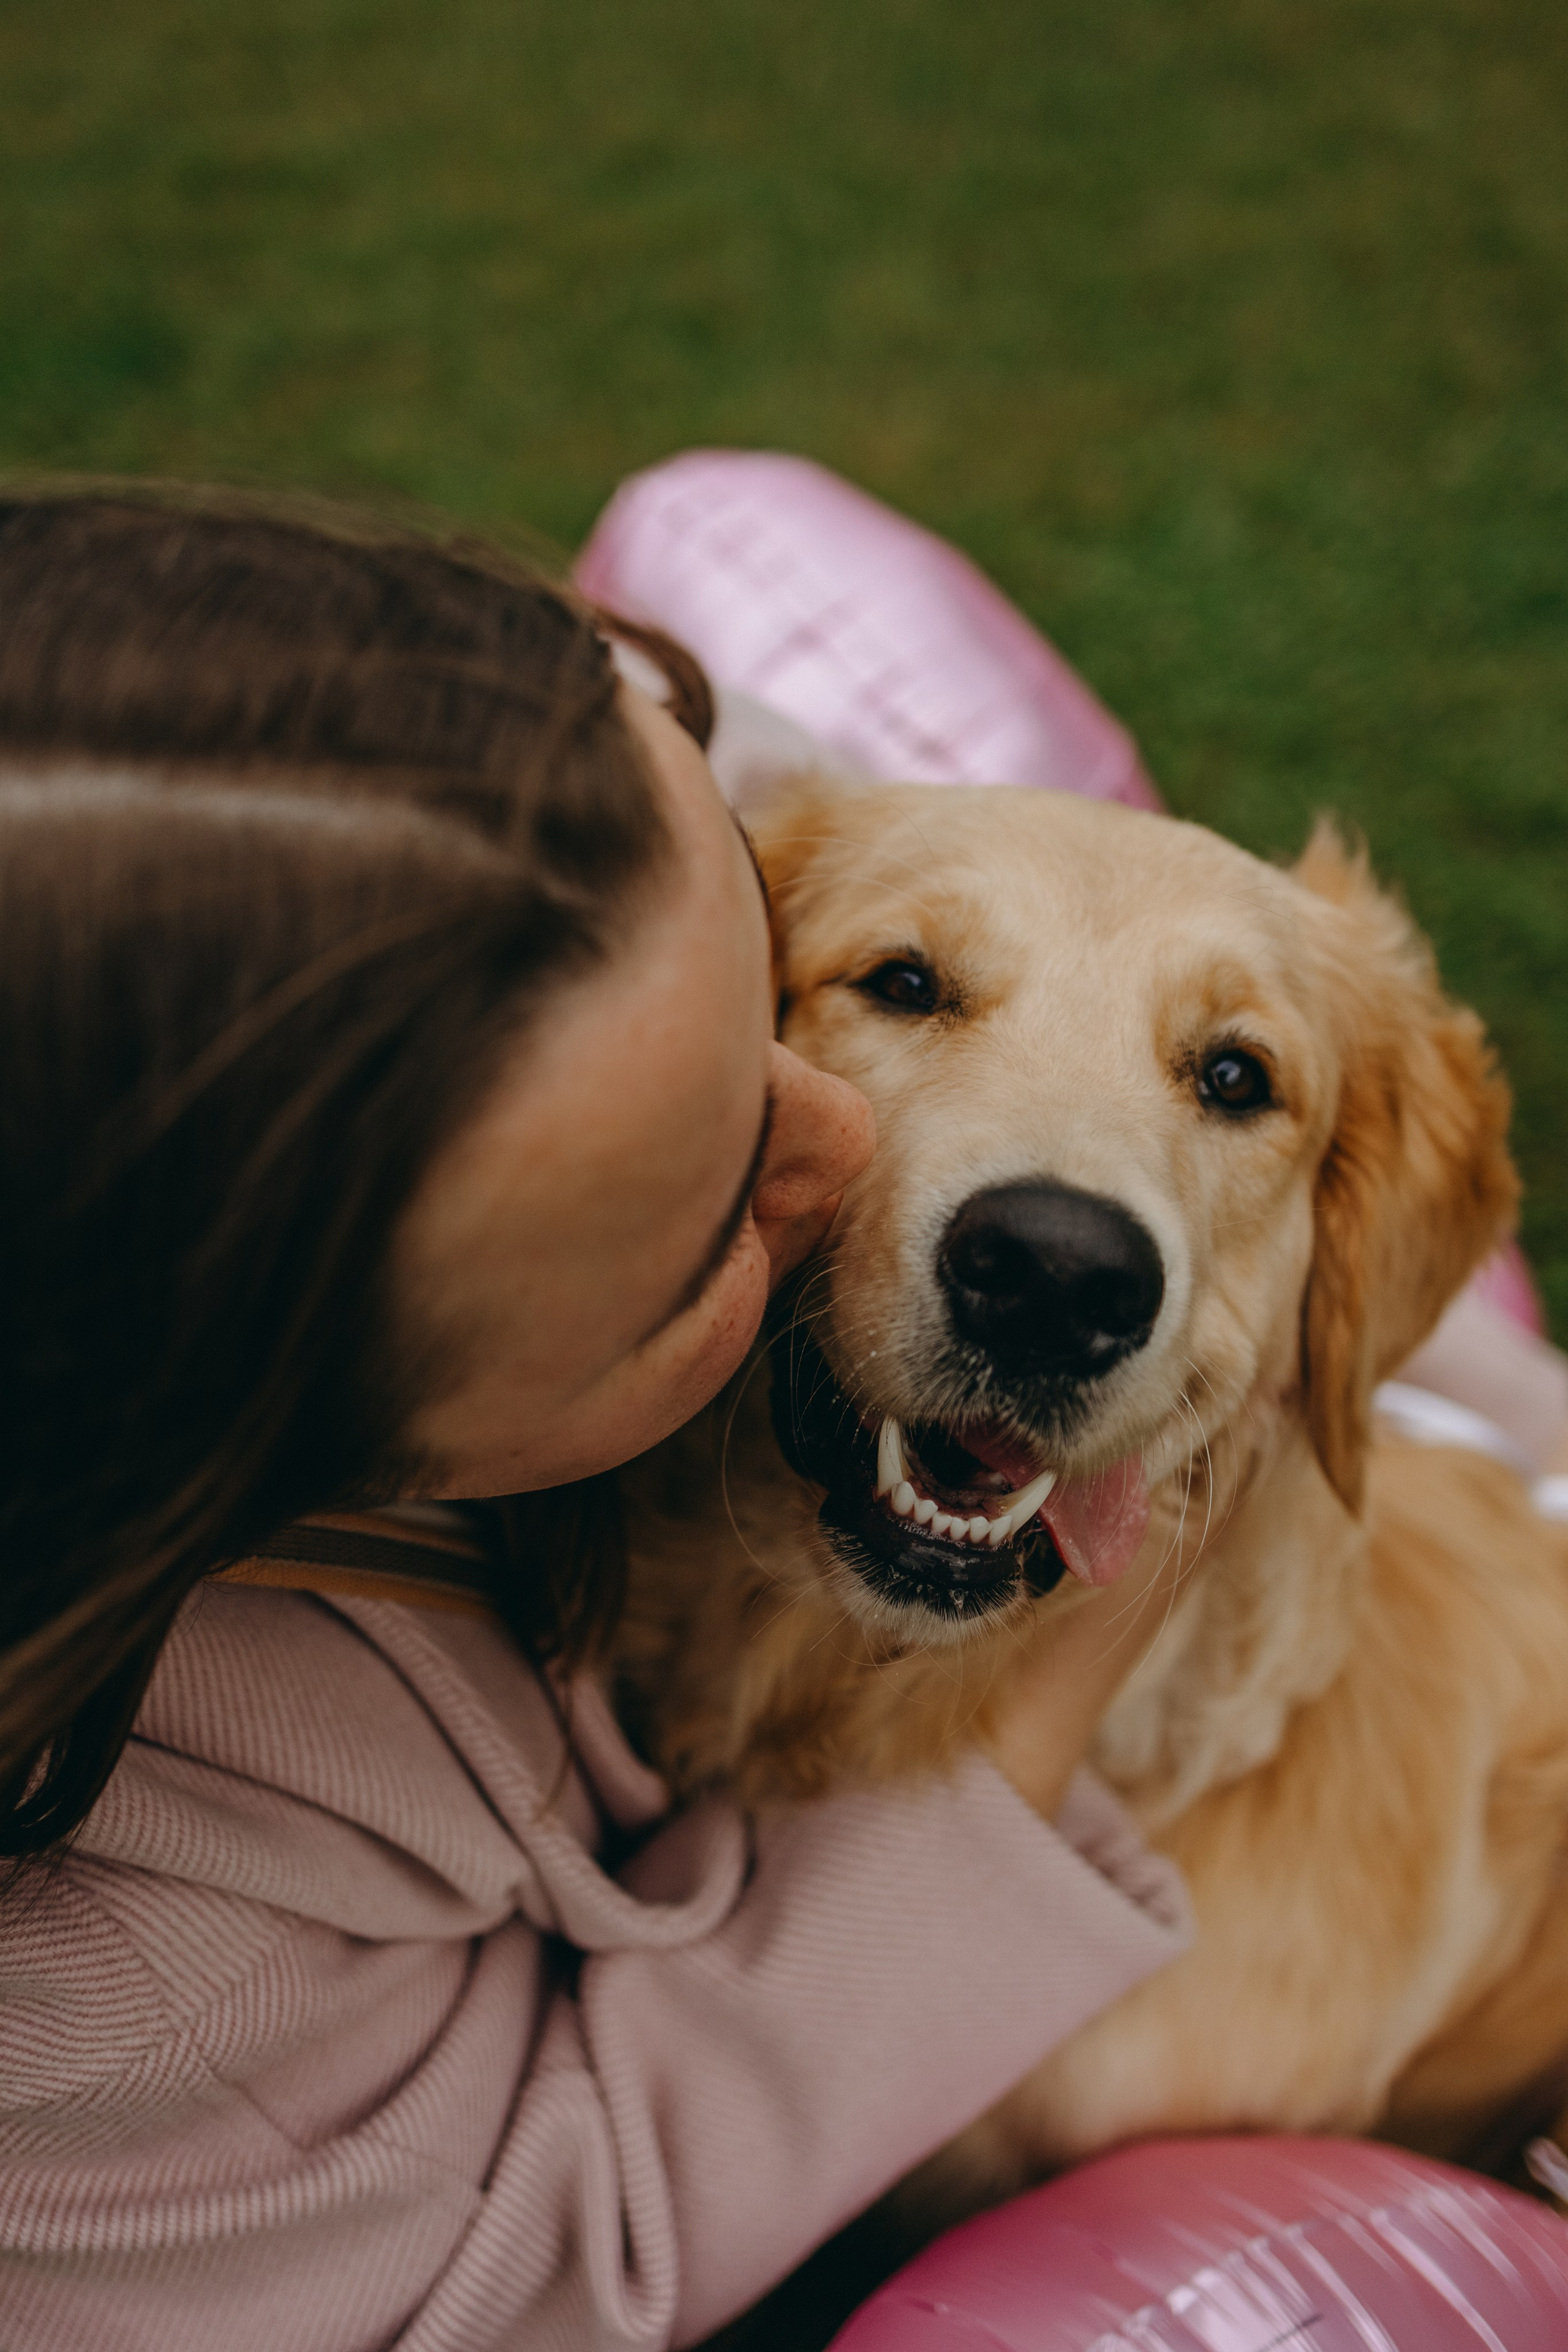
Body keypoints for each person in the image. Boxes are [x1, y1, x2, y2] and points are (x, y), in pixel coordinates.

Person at [0, 487, 1196, 2352]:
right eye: (708, 1216)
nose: (855, 1144)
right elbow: (585, 2236)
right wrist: (1069, 1665)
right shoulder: (110, 2030)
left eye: (764, 975)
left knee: (724, 510)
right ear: (287, 1454)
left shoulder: (504, 785)